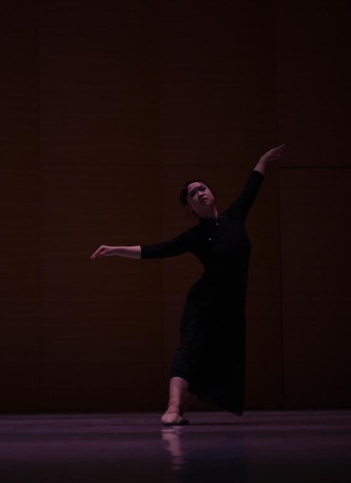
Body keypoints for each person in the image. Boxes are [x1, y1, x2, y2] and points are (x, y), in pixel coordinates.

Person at [90, 144, 284, 425]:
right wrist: (116, 249)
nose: (200, 193)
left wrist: (263, 160)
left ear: (212, 193)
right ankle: (171, 408)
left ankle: (179, 410)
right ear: (189, 208)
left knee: (218, 361)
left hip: (231, 306)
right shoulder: (195, 236)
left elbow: (252, 187)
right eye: (193, 194)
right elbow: (157, 250)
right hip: (203, 303)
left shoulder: (235, 217)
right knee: (191, 350)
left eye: (202, 188)